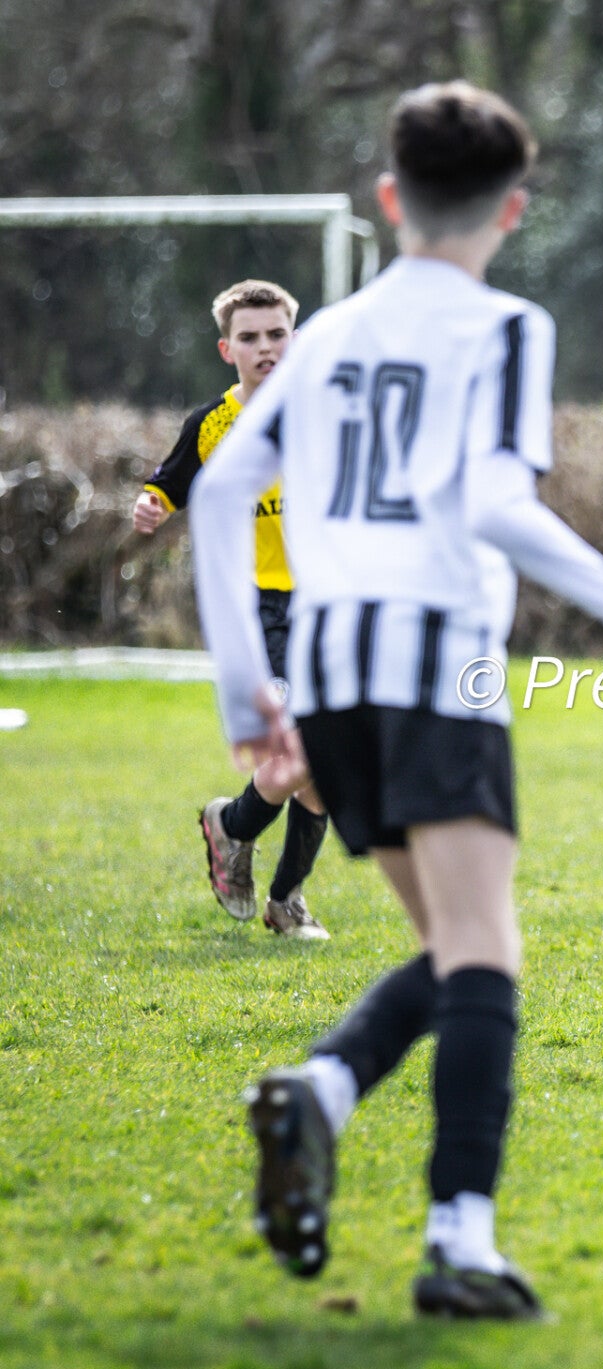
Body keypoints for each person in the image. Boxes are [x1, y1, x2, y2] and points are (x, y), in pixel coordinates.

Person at [188, 80, 603, 1319]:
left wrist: (246, 697)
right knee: (485, 952)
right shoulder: (506, 326)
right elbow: (495, 506)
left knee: (455, 950)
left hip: (331, 679)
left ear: (390, 200)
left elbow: (218, 498)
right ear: (513, 209)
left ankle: (324, 1094)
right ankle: (459, 1242)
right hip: (439, 668)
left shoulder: (325, 336)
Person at [134, 280, 330, 940]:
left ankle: (275, 884)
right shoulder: (212, 425)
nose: (265, 347)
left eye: (277, 334)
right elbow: (168, 484)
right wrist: (151, 504)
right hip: (261, 610)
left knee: (319, 770)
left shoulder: (321, 413)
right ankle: (240, 836)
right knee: (305, 751)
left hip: (328, 601)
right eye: (249, 337)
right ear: (227, 349)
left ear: (295, 340)